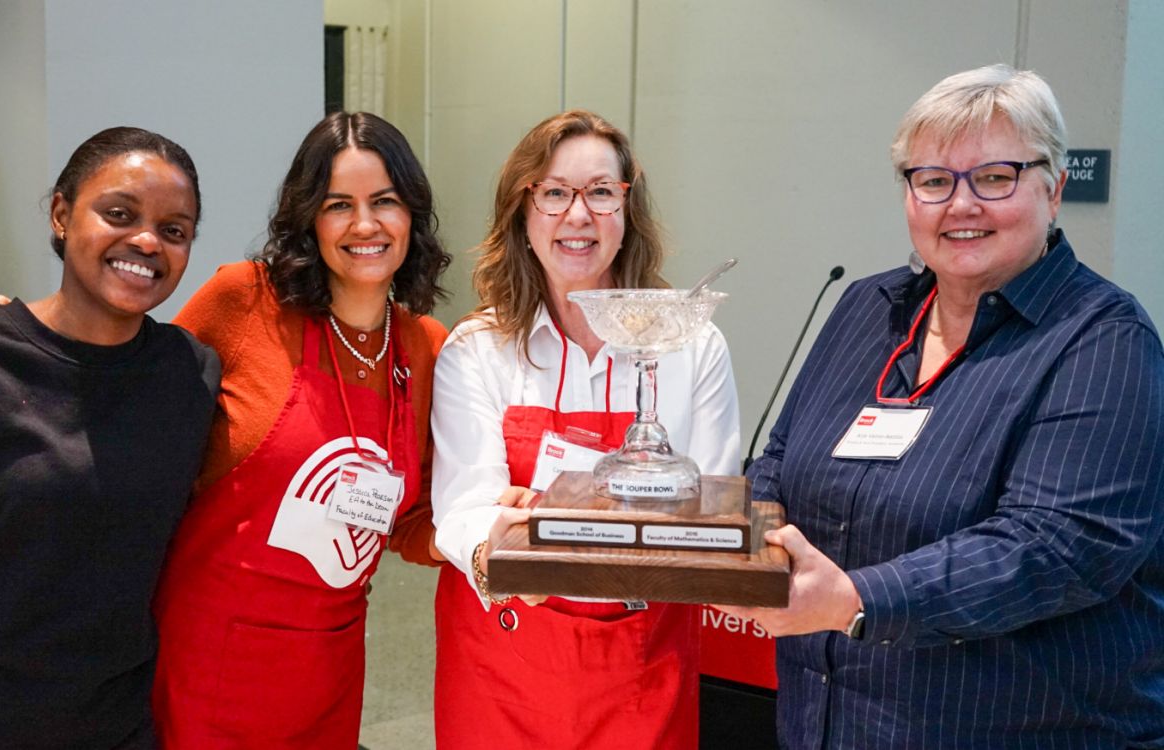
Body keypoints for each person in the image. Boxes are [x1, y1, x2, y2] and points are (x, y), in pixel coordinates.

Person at [725, 64, 1164, 747]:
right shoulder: (866, 308)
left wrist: (856, 600)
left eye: (994, 177)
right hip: (827, 725)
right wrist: (759, 544)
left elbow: (1056, 547)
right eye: (933, 180)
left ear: (1055, 189)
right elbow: (782, 459)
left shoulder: (1104, 341)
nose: (960, 205)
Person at [0, 127, 218, 748]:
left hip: (113, 729)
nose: (146, 241)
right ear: (62, 214)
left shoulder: (190, 373)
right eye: (119, 213)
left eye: (175, 230)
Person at [429, 110, 742, 749]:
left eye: (601, 191)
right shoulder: (478, 350)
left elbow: (711, 504)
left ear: (627, 210)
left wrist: (543, 525)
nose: (578, 215)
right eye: (553, 192)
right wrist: (499, 550)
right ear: (523, 211)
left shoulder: (693, 346)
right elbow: (462, 511)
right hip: (506, 653)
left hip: (643, 661)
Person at [150, 111, 451, 748]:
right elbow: (131, 395)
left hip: (330, 663)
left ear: (411, 217)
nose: (365, 225)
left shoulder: (426, 348)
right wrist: (14, 342)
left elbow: (409, 519)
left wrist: (488, 535)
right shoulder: (245, 301)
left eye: (385, 202)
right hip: (212, 654)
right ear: (309, 219)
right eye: (339, 204)